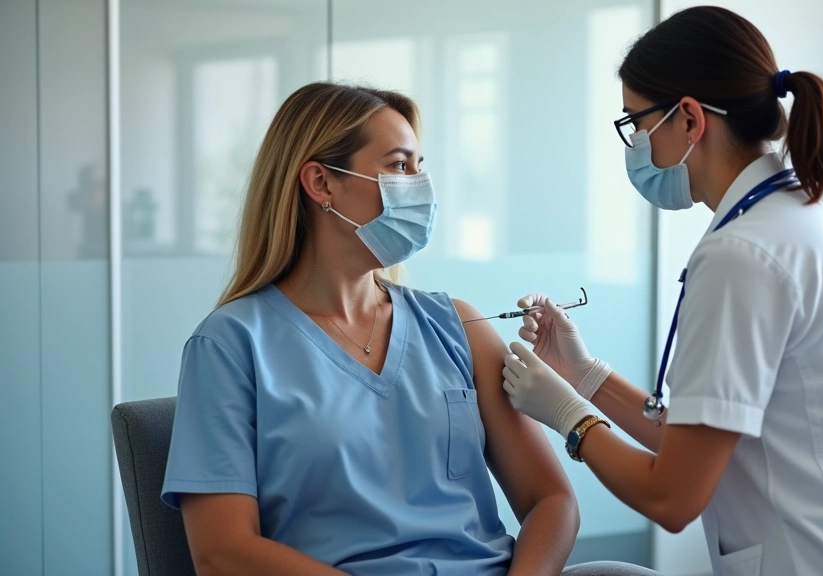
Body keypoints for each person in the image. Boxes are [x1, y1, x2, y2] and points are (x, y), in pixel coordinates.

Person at [500, 6, 823, 576]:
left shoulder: (741, 256)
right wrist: (586, 375)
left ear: (690, 119)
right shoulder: (799, 219)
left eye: (636, 124)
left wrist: (570, 417)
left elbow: (672, 497)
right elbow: (708, 437)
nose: (635, 146)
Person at [161, 82, 657, 576]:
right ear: (321, 183)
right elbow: (223, 551)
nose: (419, 187)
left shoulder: (457, 327)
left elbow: (550, 499)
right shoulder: (230, 346)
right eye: (399, 166)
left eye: (420, 168)